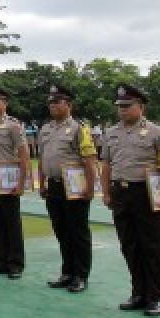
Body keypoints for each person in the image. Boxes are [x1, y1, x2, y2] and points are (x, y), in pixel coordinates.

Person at [101, 84, 160, 317]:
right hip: (121, 192)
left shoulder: (157, 132)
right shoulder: (111, 133)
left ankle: (156, 296)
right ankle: (139, 292)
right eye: (120, 107)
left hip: (147, 193)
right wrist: (105, 192)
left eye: (127, 106)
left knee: (152, 246)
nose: (122, 110)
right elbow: (106, 164)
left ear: (141, 107)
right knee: (129, 245)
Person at [36, 84, 99, 293]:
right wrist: (42, 181)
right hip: (53, 185)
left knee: (78, 231)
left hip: (74, 185)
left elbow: (89, 161)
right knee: (61, 230)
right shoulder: (45, 129)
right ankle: (67, 271)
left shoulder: (80, 129)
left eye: (57, 102)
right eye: (50, 102)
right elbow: (42, 158)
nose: (52, 105)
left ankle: (80, 275)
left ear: (68, 105)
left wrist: (90, 189)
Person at [0, 86, 32, 280]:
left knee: (11, 221)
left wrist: (21, 182)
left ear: (5, 103)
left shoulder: (13, 126)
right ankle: (0, 262)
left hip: (8, 176)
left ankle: (15, 263)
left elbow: (23, 155)